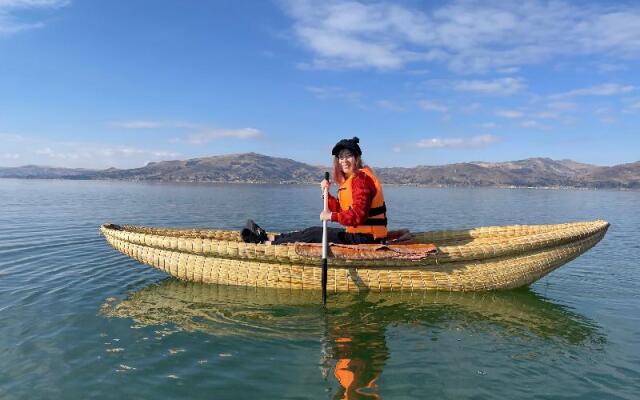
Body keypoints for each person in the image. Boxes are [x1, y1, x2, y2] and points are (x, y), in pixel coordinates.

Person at [241, 137, 388, 245]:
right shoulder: (351, 179)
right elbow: (342, 210)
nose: (344, 160)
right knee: (312, 230)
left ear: (357, 158)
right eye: (340, 157)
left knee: (315, 234)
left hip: (367, 238)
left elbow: (358, 216)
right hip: (358, 234)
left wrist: (331, 216)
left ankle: (269, 244)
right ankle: (272, 238)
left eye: (348, 155)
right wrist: (326, 194)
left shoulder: (360, 179)